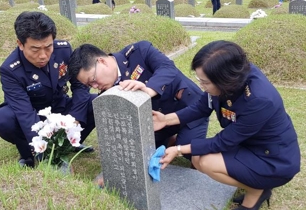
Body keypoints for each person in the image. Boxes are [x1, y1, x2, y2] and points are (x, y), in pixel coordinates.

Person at [153, 40, 301, 210]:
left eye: (205, 82)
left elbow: (223, 142)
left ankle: (257, 190)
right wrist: (166, 120)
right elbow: (201, 107)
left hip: (272, 158)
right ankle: (254, 185)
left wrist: (177, 149)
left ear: (224, 80)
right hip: (247, 144)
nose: (202, 86)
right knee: (197, 159)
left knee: (206, 161)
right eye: (200, 80)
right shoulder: (231, 78)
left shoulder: (260, 99)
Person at [68, 41, 209, 186]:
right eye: (90, 86)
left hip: (188, 109)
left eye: (93, 80)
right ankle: (168, 139)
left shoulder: (139, 51)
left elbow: (168, 68)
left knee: (189, 153)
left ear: (102, 61)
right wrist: (113, 173)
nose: (95, 87)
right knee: (140, 154)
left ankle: (177, 141)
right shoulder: (107, 92)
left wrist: (147, 91)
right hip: (156, 124)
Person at [0, 11, 96, 168]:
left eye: (48, 47)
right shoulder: (10, 69)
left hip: (60, 108)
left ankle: (70, 143)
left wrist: (74, 119)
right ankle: (28, 154)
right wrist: (45, 155)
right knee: (4, 119)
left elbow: (80, 86)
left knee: (96, 103)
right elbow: (25, 113)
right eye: (35, 49)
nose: (43, 55)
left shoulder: (64, 50)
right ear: (20, 44)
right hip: (35, 115)